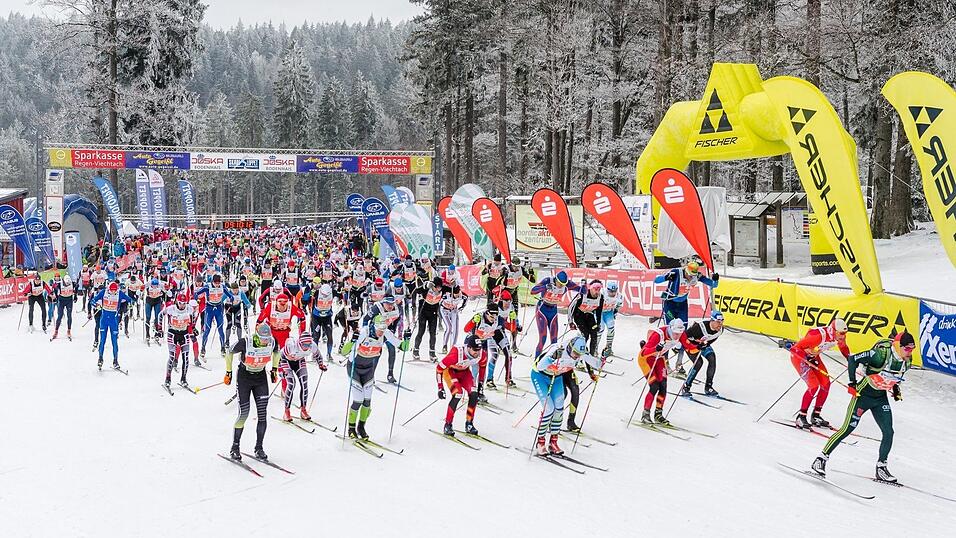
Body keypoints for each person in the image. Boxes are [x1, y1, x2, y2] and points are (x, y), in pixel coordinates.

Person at [812, 331, 914, 483]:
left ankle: (881, 468)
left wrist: (896, 389)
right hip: (863, 395)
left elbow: (895, 377)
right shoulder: (880, 354)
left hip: (880, 398)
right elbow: (853, 360)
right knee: (848, 428)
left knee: (888, 432)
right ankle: (820, 460)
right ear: (898, 346)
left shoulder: (907, 360)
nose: (910, 352)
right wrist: (852, 383)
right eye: (907, 349)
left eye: (912, 349)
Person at [530, 336, 603, 455]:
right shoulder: (557, 349)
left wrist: (602, 362)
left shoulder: (580, 352)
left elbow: (596, 363)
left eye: (579, 354)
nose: (576, 356)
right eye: (575, 353)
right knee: (549, 409)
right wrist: (552, 358)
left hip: (557, 377)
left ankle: (553, 442)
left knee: (559, 409)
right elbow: (539, 366)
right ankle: (540, 442)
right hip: (540, 376)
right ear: (569, 347)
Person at [340, 314, 409, 440]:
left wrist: (407, 339)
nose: (381, 333)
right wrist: (352, 341)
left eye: (383, 330)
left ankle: (361, 427)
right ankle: (351, 428)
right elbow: (343, 352)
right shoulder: (364, 332)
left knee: (367, 401)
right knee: (358, 399)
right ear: (373, 326)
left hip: (368, 370)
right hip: (354, 369)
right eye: (379, 330)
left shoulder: (385, 333)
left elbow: (403, 347)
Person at [653, 258, 718, 376]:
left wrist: (715, 280)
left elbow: (713, 285)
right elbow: (656, 281)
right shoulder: (676, 272)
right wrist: (666, 278)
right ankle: (665, 362)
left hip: (682, 305)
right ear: (686, 270)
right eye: (688, 274)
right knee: (671, 331)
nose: (690, 278)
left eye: (692, 276)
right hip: (670, 304)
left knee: (683, 333)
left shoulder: (697, 276)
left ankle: (679, 363)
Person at [224, 323, 279, 461]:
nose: (265, 341)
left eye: (267, 339)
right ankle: (235, 447)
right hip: (244, 377)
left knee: (262, 414)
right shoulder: (246, 342)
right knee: (244, 413)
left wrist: (274, 369)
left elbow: (276, 352)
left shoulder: (272, 342)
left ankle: (259, 448)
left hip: (260, 378)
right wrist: (228, 372)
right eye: (262, 338)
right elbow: (229, 351)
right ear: (257, 335)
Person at [790, 318, 850, 429]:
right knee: (814, 386)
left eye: (845, 333)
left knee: (826, 384)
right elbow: (795, 348)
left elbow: (843, 347)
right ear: (834, 330)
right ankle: (801, 417)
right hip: (799, 358)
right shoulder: (818, 336)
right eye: (841, 333)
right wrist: (806, 358)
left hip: (814, 357)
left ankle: (816, 415)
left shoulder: (840, 336)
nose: (843, 336)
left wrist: (849, 359)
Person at [637, 318, 686, 425]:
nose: (677, 336)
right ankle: (645, 414)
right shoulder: (659, 335)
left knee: (663, 386)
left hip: (659, 358)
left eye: (679, 333)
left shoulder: (680, 334)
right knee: (654, 386)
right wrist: (656, 348)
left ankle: (658, 414)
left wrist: (699, 347)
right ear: (670, 329)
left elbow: (689, 346)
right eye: (675, 333)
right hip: (646, 359)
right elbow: (644, 352)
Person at [436, 334, 485, 436]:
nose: (477, 352)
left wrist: (480, 384)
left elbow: (483, 367)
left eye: (479, 349)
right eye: (475, 350)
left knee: (474, 393)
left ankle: (469, 423)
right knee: (458, 393)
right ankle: (448, 425)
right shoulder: (456, 354)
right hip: (450, 372)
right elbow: (439, 368)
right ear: (468, 347)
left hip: (464, 372)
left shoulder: (481, 354)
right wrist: (440, 388)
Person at [530, 271, 581, 358]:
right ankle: (536, 360)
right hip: (542, 310)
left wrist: (584, 286)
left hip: (553, 311)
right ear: (556, 279)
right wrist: (545, 287)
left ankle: (550, 360)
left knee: (554, 341)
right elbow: (533, 291)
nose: (561, 286)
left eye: (563, 284)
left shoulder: (567, 284)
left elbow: (582, 290)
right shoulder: (547, 281)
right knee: (543, 338)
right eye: (560, 283)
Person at [280, 333, 325, 422]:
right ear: (300, 343)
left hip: (299, 361)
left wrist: (321, 365)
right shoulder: (291, 345)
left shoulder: (312, 345)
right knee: (292, 384)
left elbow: (318, 355)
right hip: (286, 362)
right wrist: (281, 371)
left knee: (304, 384)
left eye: (308, 344)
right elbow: (280, 358)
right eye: (304, 345)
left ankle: (303, 410)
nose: (307, 347)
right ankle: (287, 411)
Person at [678, 311, 725, 397]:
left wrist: (704, 345)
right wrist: (695, 346)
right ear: (712, 320)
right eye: (718, 322)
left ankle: (708, 387)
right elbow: (684, 337)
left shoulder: (720, 330)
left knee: (712, 358)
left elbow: (711, 339)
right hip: (690, 345)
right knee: (698, 363)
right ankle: (686, 387)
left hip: (702, 344)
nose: (720, 324)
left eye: (722, 321)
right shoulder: (699, 327)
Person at [89, 281, 133, 370]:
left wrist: (130, 305)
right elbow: (92, 301)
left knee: (114, 342)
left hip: (114, 321)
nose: (113, 292)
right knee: (102, 341)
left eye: (115, 290)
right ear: (109, 289)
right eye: (112, 290)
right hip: (104, 320)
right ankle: (100, 358)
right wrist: (96, 305)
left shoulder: (119, 293)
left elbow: (129, 299)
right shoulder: (103, 292)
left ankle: (115, 361)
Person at [193, 273, 234, 360]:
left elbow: (230, 294)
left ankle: (222, 348)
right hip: (209, 308)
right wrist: (197, 299)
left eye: (218, 283)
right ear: (212, 282)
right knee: (207, 329)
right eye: (215, 283)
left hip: (219, 308)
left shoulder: (222, 287)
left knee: (220, 328)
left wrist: (231, 299)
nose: (217, 284)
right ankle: (203, 349)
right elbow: (196, 293)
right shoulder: (207, 287)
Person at [163, 292, 197, 390]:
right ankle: (168, 379)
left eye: (184, 303)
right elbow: (161, 315)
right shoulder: (171, 308)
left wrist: (193, 328)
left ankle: (183, 378)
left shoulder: (189, 309)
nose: (182, 305)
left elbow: (192, 318)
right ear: (177, 302)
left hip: (184, 333)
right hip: (172, 333)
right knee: (172, 356)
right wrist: (159, 329)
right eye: (180, 303)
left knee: (186, 358)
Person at [568, 280, 604, 355]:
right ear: (590, 288)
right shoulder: (582, 294)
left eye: (599, 289)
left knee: (594, 335)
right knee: (585, 335)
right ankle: (577, 354)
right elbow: (570, 307)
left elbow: (599, 312)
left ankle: (592, 356)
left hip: (589, 315)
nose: (597, 292)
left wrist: (598, 323)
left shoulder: (600, 297)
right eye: (595, 289)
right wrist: (570, 322)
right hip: (579, 315)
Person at [413, 276, 443, 361]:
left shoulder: (442, 290)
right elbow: (417, 291)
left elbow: (454, 290)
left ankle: (432, 352)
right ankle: (415, 350)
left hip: (433, 314)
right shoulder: (428, 287)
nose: (438, 289)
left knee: (433, 333)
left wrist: (455, 286)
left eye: (440, 287)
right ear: (433, 285)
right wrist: (425, 286)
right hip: (423, 312)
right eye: (437, 287)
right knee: (421, 332)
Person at [599, 280, 623, 357]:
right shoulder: (602, 294)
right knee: (600, 329)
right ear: (607, 290)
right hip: (600, 313)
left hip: (608, 312)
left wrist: (615, 311)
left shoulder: (620, 296)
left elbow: (619, 305)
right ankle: (595, 348)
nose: (613, 293)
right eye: (611, 291)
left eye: (614, 291)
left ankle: (608, 347)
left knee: (611, 327)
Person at [51, 275, 76, 340]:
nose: (67, 285)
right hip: (61, 300)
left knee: (69, 315)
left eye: (68, 284)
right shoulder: (59, 284)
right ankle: (56, 331)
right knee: (60, 316)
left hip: (69, 300)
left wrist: (75, 296)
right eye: (66, 284)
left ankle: (69, 330)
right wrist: (55, 297)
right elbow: (55, 290)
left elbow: (75, 290)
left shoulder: (72, 283)